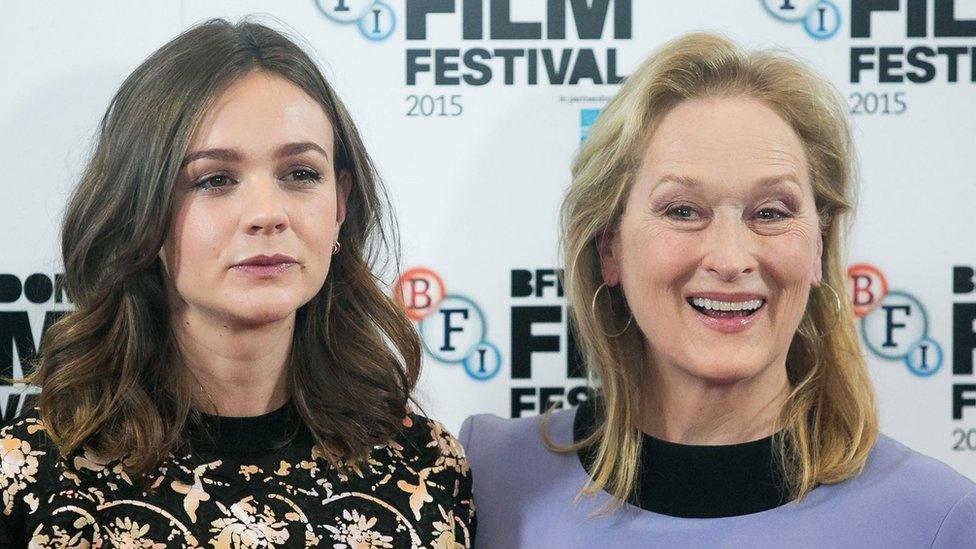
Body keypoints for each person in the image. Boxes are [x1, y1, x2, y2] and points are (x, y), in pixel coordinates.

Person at [461, 33, 975, 547]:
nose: (730, 259)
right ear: (609, 248)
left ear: (819, 247)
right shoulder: (486, 481)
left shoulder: (937, 519)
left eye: (771, 213)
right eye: (682, 211)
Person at [0, 18, 474, 548]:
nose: (267, 214)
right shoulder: (31, 481)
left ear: (340, 204)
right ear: (142, 213)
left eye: (300, 173)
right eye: (214, 179)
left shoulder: (426, 470)